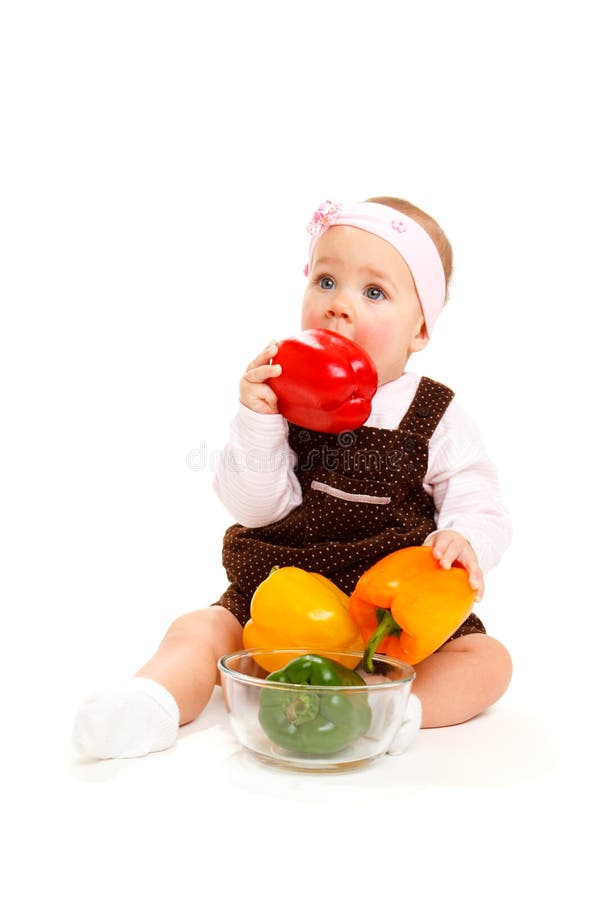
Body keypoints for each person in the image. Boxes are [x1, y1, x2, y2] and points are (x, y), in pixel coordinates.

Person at [72, 196, 513, 760]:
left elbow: (481, 498)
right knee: (200, 628)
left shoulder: (435, 414)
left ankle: (394, 710)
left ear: (420, 328)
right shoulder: (280, 395)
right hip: (275, 598)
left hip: (389, 620)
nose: (340, 307)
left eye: (373, 292)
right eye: (326, 281)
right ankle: (147, 705)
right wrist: (258, 420)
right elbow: (254, 510)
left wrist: (466, 538)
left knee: (487, 661)